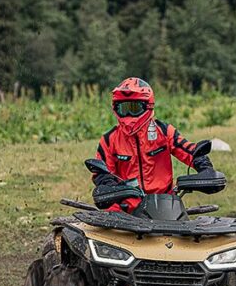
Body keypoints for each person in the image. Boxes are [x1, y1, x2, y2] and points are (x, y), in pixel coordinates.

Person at [85, 77, 216, 212]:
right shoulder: (108, 140)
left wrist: (205, 168)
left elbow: (189, 151)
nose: (129, 115)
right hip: (123, 211)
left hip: (164, 207)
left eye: (134, 108)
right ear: (115, 108)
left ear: (148, 105)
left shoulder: (165, 132)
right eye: (124, 108)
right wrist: (111, 188)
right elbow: (102, 173)